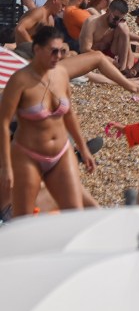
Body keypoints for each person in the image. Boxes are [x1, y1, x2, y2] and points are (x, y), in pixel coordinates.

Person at [0, 24, 96, 217]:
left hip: (61, 151)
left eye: (61, 51)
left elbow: (69, 114)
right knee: (24, 219)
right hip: (28, 154)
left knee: (75, 212)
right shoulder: (20, 81)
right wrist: (6, 166)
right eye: (53, 51)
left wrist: (84, 149)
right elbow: (3, 123)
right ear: (37, 49)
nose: (58, 57)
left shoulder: (60, 74)